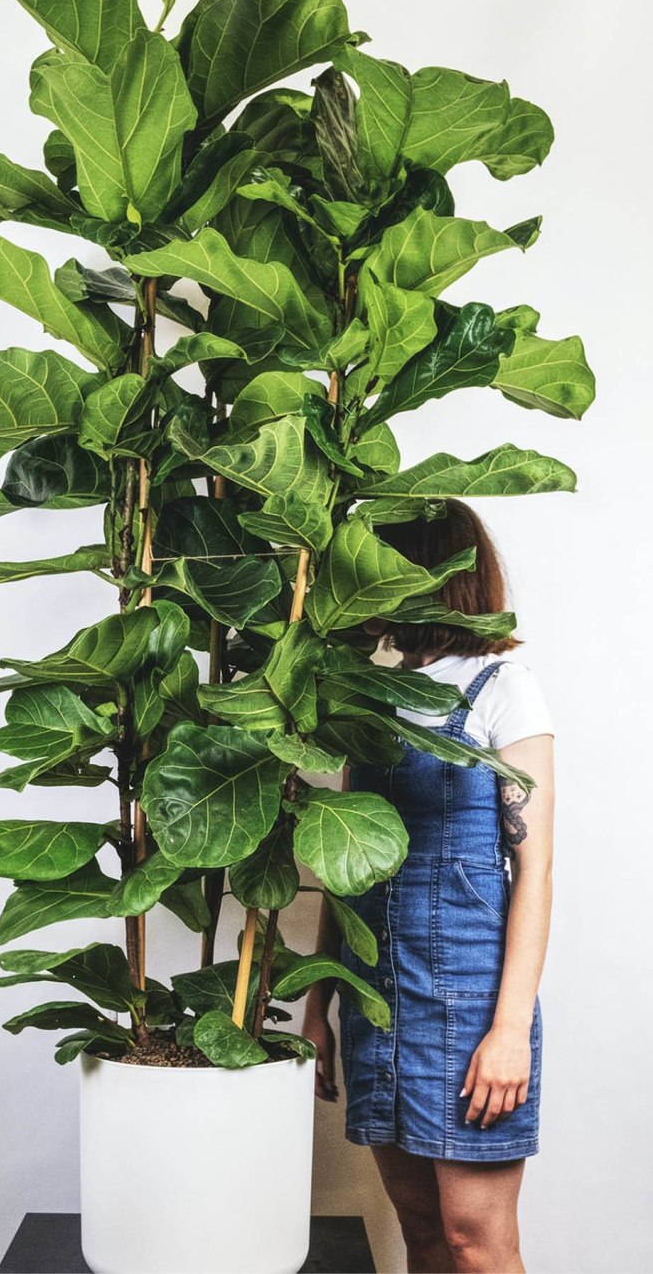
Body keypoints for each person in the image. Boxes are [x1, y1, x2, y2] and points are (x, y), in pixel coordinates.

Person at [302, 499, 555, 1274]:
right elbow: (346, 864)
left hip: (469, 1008)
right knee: (421, 1231)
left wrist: (508, 1030)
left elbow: (535, 870)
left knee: (478, 1241)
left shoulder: (503, 687)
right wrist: (318, 1006)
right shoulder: (371, 697)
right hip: (377, 1001)